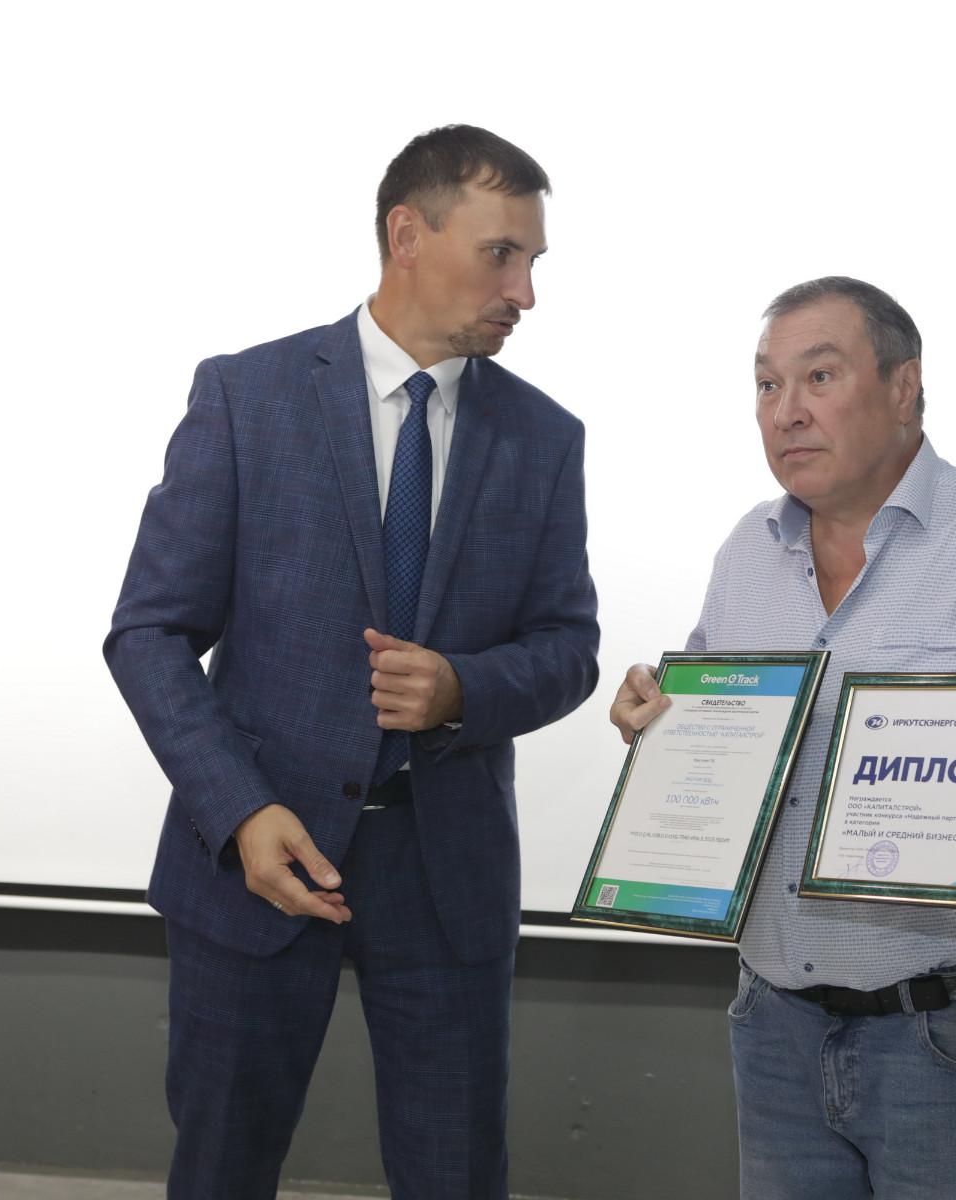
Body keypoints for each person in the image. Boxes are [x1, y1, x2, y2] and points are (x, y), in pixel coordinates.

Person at [106, 124, 598, 1199]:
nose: (524, 292)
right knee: (222, 1170)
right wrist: (239, 809)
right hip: (257, 862)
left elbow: (570, 648)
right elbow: (148, 632)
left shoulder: (543, 437)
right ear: (407, 235)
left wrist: (465, 688)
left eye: (532, 261)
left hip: (446, 876)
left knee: (455, 1176)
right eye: (501, 255)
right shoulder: (247, 397)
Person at [609, 277, 956, 1200]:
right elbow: (719, 730)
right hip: (774, 1027)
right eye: (766, 385)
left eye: (819, 376)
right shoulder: (746, 551)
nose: (786, 412)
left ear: (904, 387)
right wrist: (656, 720)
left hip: (950, 1040)